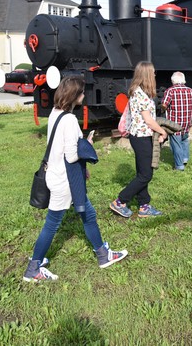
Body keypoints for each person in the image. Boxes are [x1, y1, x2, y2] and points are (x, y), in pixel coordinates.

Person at [23, 76, 128, 282]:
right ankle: (33, 268)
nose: (84, 95)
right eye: (81, 92)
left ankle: (102, 254)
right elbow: (71, 156)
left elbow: (59, 146)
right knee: (52, 224)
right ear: (74, 95)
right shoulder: (70, 120)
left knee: (88, 214)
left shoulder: (55, 113)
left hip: (58, 174)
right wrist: (86, 144)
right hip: (66, 181)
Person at [110, 62, 169, 218]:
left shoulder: (139, 92)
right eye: (153, 72)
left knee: (142, 172)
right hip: (141, 138)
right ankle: (120, 201)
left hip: (140, 136)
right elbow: (148, 120)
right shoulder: (140, 94)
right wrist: (162, 131)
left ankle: (144, 206)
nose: (155, 75)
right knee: (146, 175)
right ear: (147, 75)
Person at [161, 71, 192, 171]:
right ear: (183, 80)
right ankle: (185, 158)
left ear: (173, 80)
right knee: (184, 140)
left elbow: (164, 105)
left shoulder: (170, 91)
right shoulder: (191, 91)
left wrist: (163, 109)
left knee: (176, 144)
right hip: (187, 123)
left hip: (174, 124)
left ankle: (179, 166)